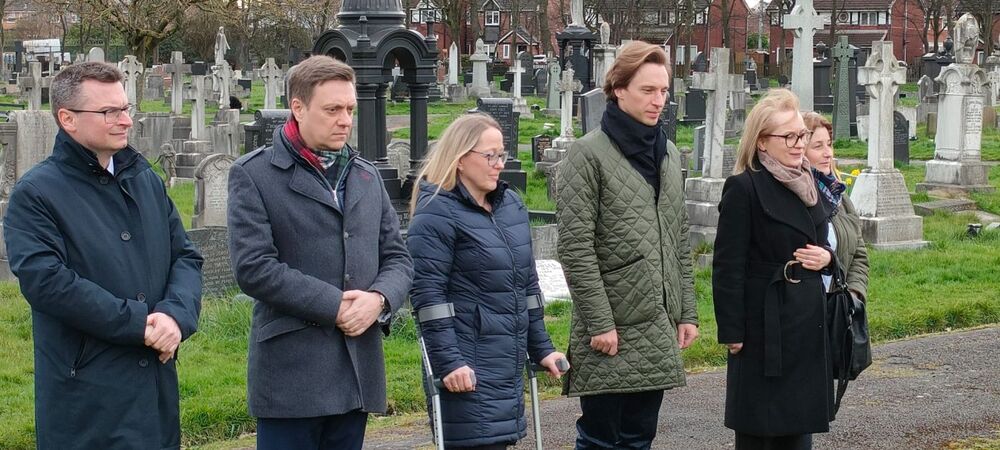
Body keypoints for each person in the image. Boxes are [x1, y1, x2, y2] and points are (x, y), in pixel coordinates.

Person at [3, 62, 203, 449]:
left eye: (126, 109)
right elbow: (48, 283)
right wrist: (140, 324)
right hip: (87, 396)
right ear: (68, 119)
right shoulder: (37, 194)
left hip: (155, 388)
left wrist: (176, 318)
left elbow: (185, 257)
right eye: (110, 111)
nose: (126, 120)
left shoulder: (144, 178)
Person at [227, 55, 413, 450]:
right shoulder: (255, 174)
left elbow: (397, 256)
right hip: (292, 376)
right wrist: (336, 306)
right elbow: (254, 268)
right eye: (332, 110)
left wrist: (379, 300)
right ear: (298, 107)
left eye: (349, 109)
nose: (345, 120)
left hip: (357, 371)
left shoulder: (364, 174)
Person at [556, 41, 699, 450]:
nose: (659, 101)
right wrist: (600, 322)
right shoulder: (587, 155)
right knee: (603, 439)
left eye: (664, 91)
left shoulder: (668, 154)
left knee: (640, 437)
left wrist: (686, 311)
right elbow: (575, 248)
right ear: (618, 89)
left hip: (656, 324)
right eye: (648, 90)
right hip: (612, 326)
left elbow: (677, 239)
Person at [407, 113, 568, 449]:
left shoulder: (510, 205)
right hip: (466, 364)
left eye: (502, 155)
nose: (499, 164)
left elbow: (527, 286)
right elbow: (428, 297)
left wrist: (542, 348)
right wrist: (449, 363)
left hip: (504, 361)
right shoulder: (436, 212)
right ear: (461, 159)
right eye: (489, 155)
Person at [712, 89, 835, 450]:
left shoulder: (810, 183)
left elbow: (826, 241)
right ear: (763, 142)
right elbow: (727, 266)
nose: (800, 144)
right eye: (790, 136)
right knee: (761, 432)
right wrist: (732, 331)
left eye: (802, 135)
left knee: (798, 435)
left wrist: (828, 258)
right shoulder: (744, 188)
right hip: (763, 329)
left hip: (806, 323)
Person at [802, 112, 869, 300]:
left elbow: (859, 254)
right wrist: (827, 260)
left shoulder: (839, 197)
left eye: (829, 144)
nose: (828, 153)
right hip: (805, 310)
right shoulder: (794, 197)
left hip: (839, 309)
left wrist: (854, 295)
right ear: (800, 150)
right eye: (818, 146)